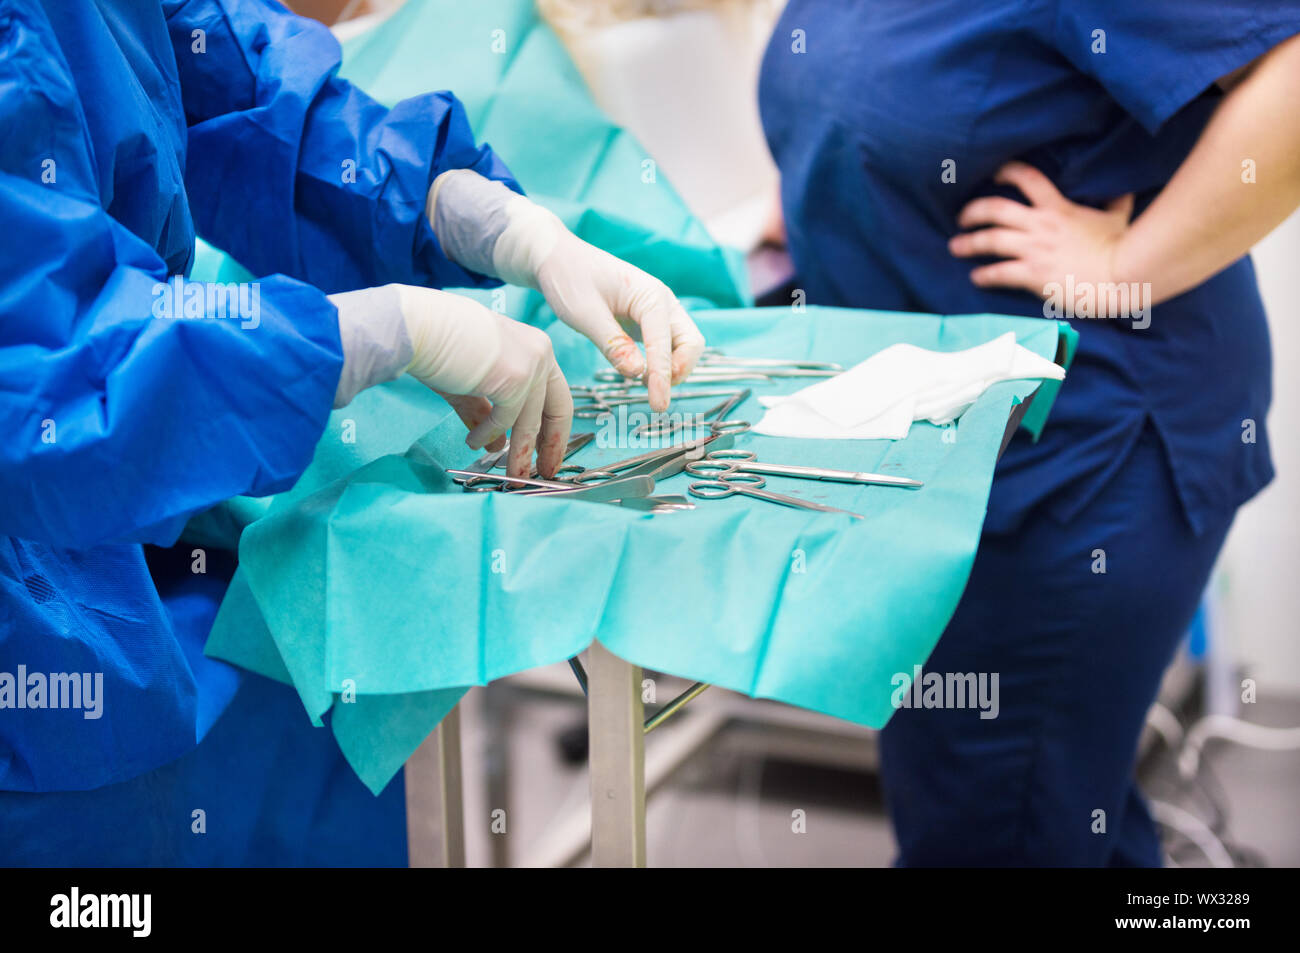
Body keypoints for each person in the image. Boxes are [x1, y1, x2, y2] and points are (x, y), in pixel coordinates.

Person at [0, 0, 703, 865]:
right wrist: (374, 333)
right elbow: (52, 373)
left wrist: (472, 211)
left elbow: (233, 83)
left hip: (144, 585)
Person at [759, 1, 1300, 865]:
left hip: (1084, 455)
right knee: (1042, 805)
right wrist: (834, 196)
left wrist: (1124, 267)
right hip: (948, 451)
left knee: (998, 818)